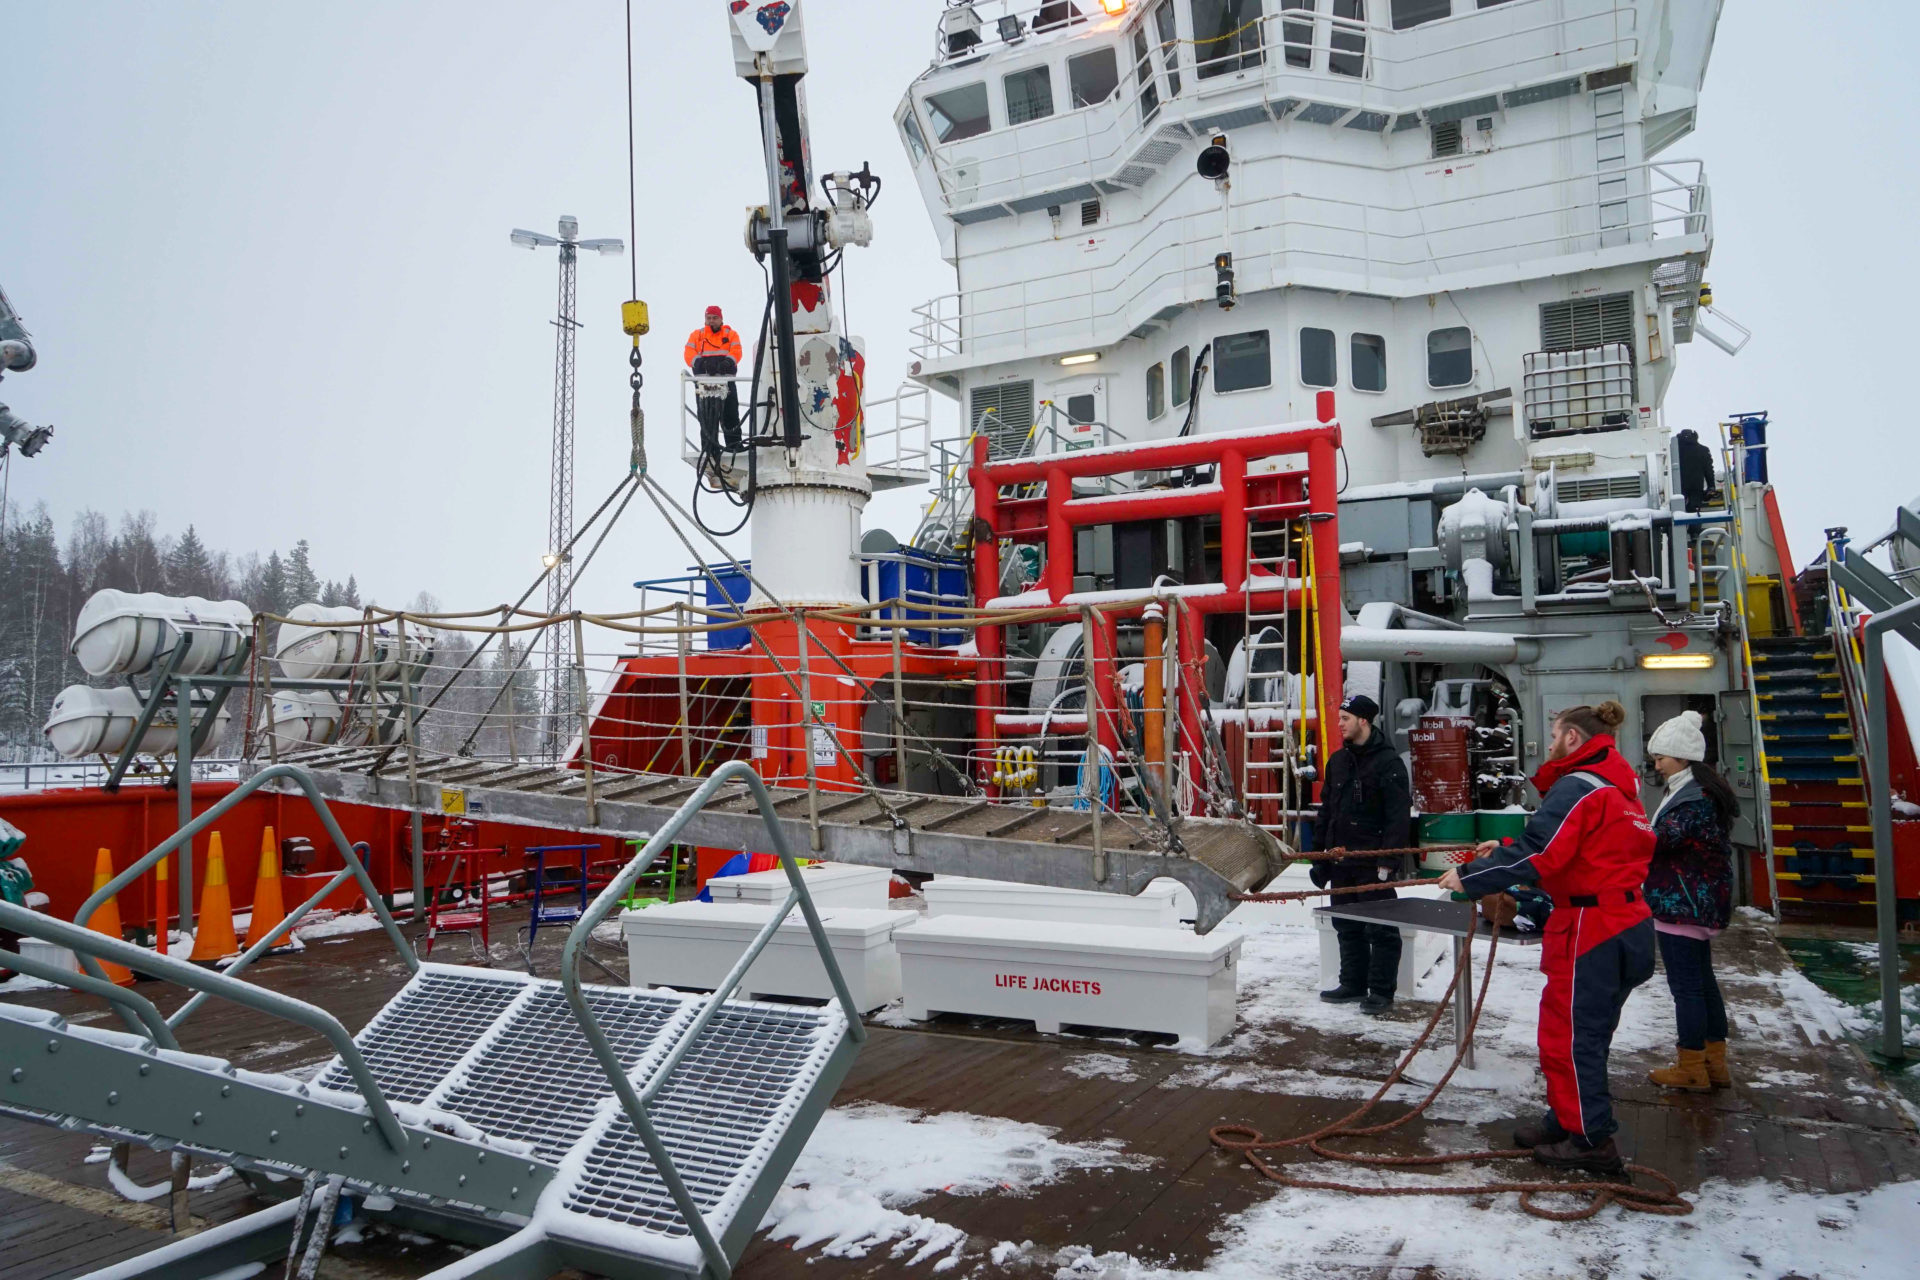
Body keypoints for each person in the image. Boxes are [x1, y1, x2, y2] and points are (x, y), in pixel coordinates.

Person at [1438, 700, 1656, 1176]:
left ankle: (1591, 1140)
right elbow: (1576, 852)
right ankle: (1568, 1119)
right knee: (1582, 1034)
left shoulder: (1577, 787)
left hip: (1592, 929)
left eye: (1556, 734)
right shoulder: (1618, 788)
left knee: (1572, 1038)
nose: (1550, 743)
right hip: (1625, 924)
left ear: (1573, 738)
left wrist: (1471, 876)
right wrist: (1507, 850)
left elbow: (1544, 853)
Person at [1641, 710, 1737, 1092]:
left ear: (1682, 757)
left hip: (1681, 903)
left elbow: (1659, 840)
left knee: (1687, 988)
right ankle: (1715, 1063)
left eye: (1661, 756)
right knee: (1703, 982)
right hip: (1696, 901)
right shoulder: (1698, 790)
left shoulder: (1691, 799)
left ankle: (1691, 1065)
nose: (1656, 763)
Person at [1313, 692, 1412, 1014]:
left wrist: (1388, 862)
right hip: (1341, 860)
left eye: (1345, 718)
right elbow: (1327, 811)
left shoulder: (1389, 763)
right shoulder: (1339, 761)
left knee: (1381, 929)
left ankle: (1381, 991)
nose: (1339, 724)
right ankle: (1352, 983)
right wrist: (1320, 858)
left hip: (1372, 862)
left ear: (1363, 720)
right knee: (1346, 924)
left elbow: (1398, 817)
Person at [683, 305, 744, 455]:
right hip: (705, 386)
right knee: (706, 419)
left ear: (721, 319)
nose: (711, 321)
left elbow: (737, 351)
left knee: (730, 416)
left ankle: (734, 447)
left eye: (714, 318)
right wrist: (700, 363)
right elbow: (689, 353)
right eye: (708, 318)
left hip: (726, 383)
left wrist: (728, 362)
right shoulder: (697, 335)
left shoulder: (731, 334)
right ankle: (710, 450)